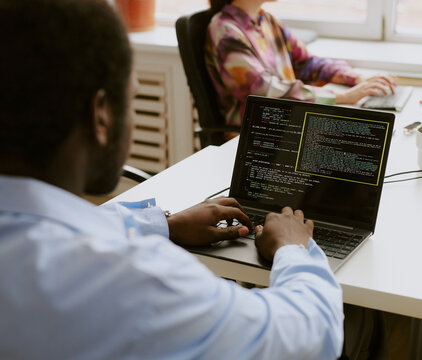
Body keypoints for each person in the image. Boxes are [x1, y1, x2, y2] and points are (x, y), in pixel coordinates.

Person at [0, 0, 343, 358]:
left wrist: (166, 225)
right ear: (100, 115)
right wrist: (294, 250)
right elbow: (312, 334)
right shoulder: (135, 279)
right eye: (132, 99)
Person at [205, 0, 398, 126]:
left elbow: (308, 64)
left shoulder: (268, 22)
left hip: (291, 124)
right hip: (258, 136)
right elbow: (263, 91)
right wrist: (342, 97)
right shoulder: (225, 30)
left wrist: (356, 78)